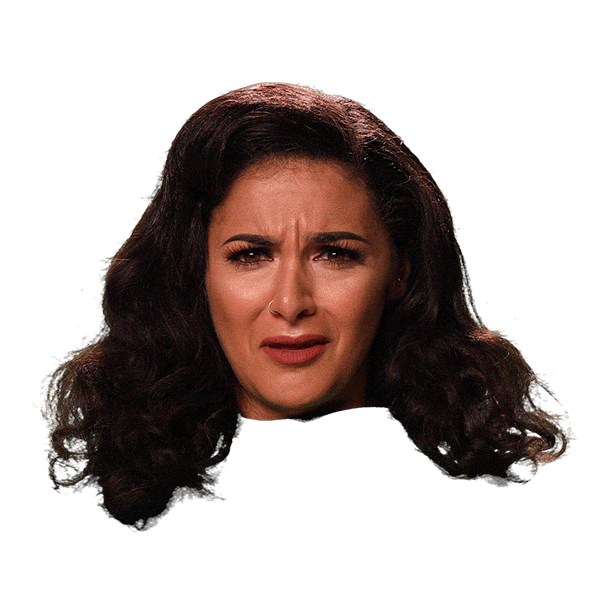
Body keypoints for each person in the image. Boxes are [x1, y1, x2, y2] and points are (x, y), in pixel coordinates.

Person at [45, 82, 568, 528]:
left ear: (400, 273)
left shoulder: (505, 520)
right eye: (251, 255)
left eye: (335, 254)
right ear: (195, 273)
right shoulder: (95, 530)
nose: (291, 303)